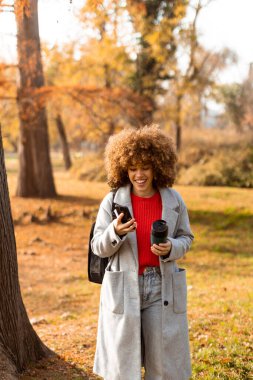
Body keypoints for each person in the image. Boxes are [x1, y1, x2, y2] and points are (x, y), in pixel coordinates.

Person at [91, 125, 194, 380]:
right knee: (124, 367)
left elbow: (187, 238)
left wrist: (172, 247)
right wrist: (115, 231)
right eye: (133, 167)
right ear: (123, 168)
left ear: (157, 167)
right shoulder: (113, 201)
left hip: (161, 288)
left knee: (164, 366)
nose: (139, 174)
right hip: (125, 288)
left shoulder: (173, 199)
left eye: (145, 167)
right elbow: (98, 247)